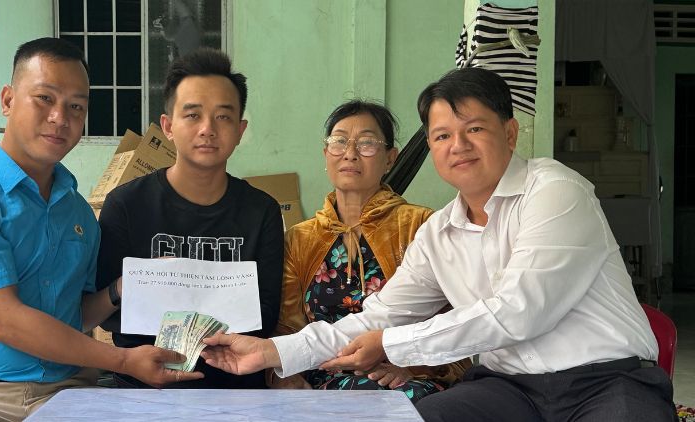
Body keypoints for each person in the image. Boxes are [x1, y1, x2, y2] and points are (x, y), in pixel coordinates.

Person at [201, 67, 676, 421]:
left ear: (510, 133)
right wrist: (271, 352)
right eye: (442, 135)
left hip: (606, 380)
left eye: (475, 129)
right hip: (509, 390)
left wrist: (391, 345)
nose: (458, 146)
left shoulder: (555, 190)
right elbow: (378, 316)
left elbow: (518, 312)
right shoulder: (439, 231)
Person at [0, 38, 203, 422]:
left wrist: (122, 287)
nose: (60, 117)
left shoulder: (78, 212)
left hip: (68, 391)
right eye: (44, 98)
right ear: (8, 100)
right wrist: (124, 360)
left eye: (76, 106)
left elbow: (72, 316)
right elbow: (6, 321)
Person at [96, 48, 284, 389]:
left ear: (240, 130)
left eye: (223, 117)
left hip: (237, 391)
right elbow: (107, 314)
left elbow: (265, 313)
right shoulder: (126, 205)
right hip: (143, 391)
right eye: (193, 115)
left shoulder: (262, 211)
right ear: (168, 126)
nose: (208, 129)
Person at [271, 99, 469, 401]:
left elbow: (453, 321)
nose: (350, 153)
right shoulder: (300, 239)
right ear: (326, 154)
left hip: (403, 376)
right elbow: (287, 327)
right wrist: (286, 378)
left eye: (366, 143)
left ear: (390, 158)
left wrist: (411, 368)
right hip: (323, 377)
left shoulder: (421, 225)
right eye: (339, 141)